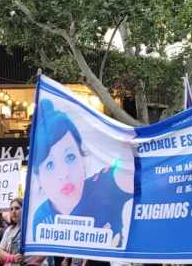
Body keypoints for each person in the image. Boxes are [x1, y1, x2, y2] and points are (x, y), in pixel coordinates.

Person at [28, 101, 133, 248]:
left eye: (70, 157)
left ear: (82, 159)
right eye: (50, 165)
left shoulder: (104, 186)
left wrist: (128, 148)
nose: (63, 174)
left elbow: (130, 173)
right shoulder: (42, 217)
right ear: (39, 178)